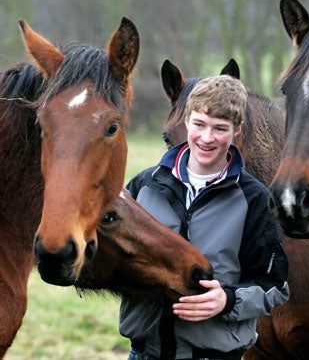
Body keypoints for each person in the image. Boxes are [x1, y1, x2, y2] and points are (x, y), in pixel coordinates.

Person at [121, 74, 289, 360]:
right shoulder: (143, 186)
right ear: (186, 120)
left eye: (220, 128)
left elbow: (274, 286)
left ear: (238, 130)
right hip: (143, 353)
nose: (207, 138)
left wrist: (227, 299)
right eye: (199, 124)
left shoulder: (254, 199)